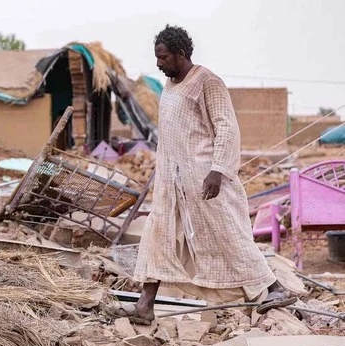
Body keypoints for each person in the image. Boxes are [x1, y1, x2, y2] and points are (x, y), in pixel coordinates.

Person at [108, 25, 295, 324]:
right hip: (173, 180)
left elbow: (226, 127)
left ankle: (276, 287)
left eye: (163, 57)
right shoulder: (170, 86)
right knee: (158, 235)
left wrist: (218, 170)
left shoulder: (207, 82)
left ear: (181, 54)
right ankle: (145, 304)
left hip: (205, 180)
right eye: (156, 57)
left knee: (228, 235)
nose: (158, 63)